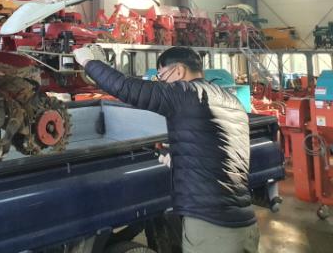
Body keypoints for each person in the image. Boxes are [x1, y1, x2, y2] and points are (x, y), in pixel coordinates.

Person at [72, 45, 259, 253]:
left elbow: (125, 87)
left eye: (161, 76)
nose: (162, 83)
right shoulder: (230, 101)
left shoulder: (186, 93)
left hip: (212, 228)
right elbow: (222, 153)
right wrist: (179, 159)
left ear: (178, 71)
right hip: (244, 222)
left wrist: (88, 62)